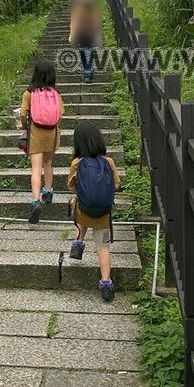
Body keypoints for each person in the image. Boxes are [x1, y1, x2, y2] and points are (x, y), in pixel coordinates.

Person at [67, 121, 121, 302]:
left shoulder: (77, 163)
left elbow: (71, 187)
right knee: (103, 247)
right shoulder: (109, 162)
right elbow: (116, 184)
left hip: (83, 211)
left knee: (78, 205)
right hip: (103, 215)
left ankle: (78, 243)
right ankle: (106, 283)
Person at [18, 58, 64, 224]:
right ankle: (48, 192)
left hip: (36, 133)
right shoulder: (56, 94)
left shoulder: (29, 93)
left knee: (36, 168)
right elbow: (60, 116)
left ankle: (36, 201)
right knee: (48, 164)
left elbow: (23, 114)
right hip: (51, 134)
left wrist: (23, 125)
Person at [68, 0, 101, 83]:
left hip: (89, 33)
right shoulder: (77, 8)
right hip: (80, 33)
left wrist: (97, 34)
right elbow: (74, 21)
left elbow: (97, 21)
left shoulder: (94, 8)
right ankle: (87, 71)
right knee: (83, 52)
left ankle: (88, 74)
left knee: (88, 52)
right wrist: (72, 34)